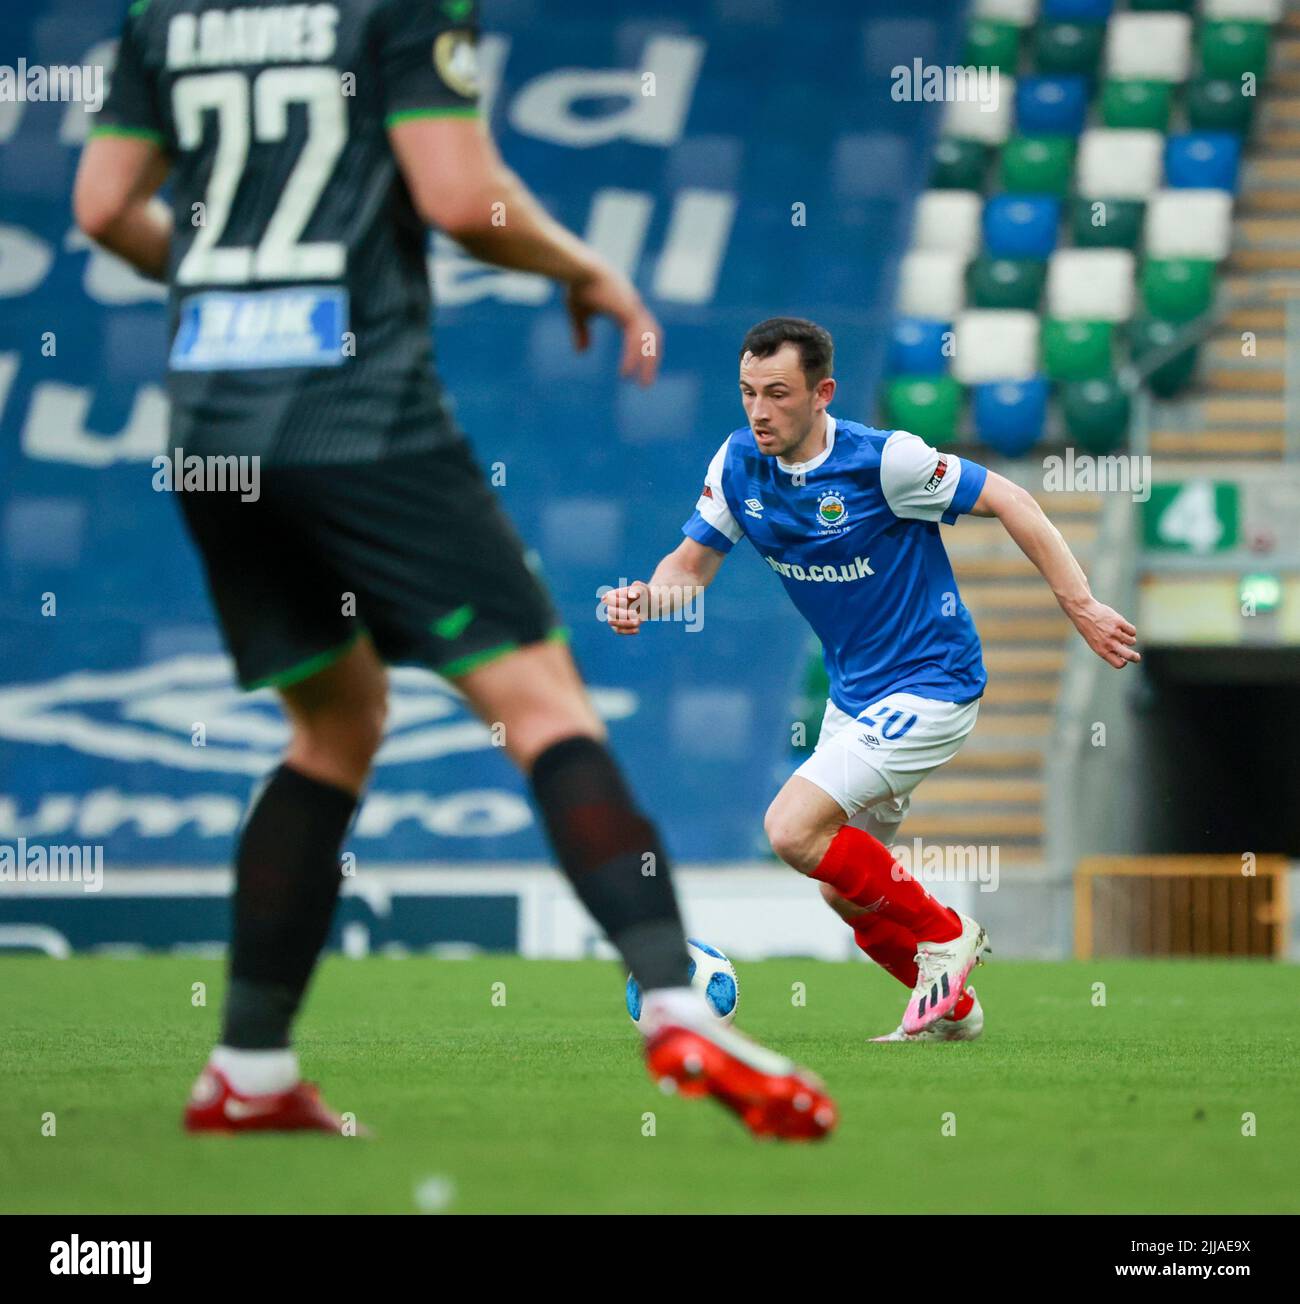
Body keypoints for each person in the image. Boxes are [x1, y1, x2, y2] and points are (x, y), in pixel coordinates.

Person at [73, 1, 835, 1140]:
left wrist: (229, 294)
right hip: (359, 412)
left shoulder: (160, 16)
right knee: (541, 703)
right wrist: (586, 269)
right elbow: (455, 195)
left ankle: (248, 1064)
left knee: (331, 728)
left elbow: (98, 208)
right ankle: (676, 1001)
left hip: (211, 428)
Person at [603, 317, 1141, 1042]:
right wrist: (648, 597)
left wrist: (1079, 604)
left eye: (779, 394)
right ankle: (952, 1009)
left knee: (789, 829)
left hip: (932, 682)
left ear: (822, 393)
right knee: (841, 890)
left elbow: (1012, 499)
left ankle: (947, 935)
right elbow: (689, 568)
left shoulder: (886, 462)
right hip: (855, 698)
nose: (759, 411)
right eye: (747, 393)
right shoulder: (736, 464)